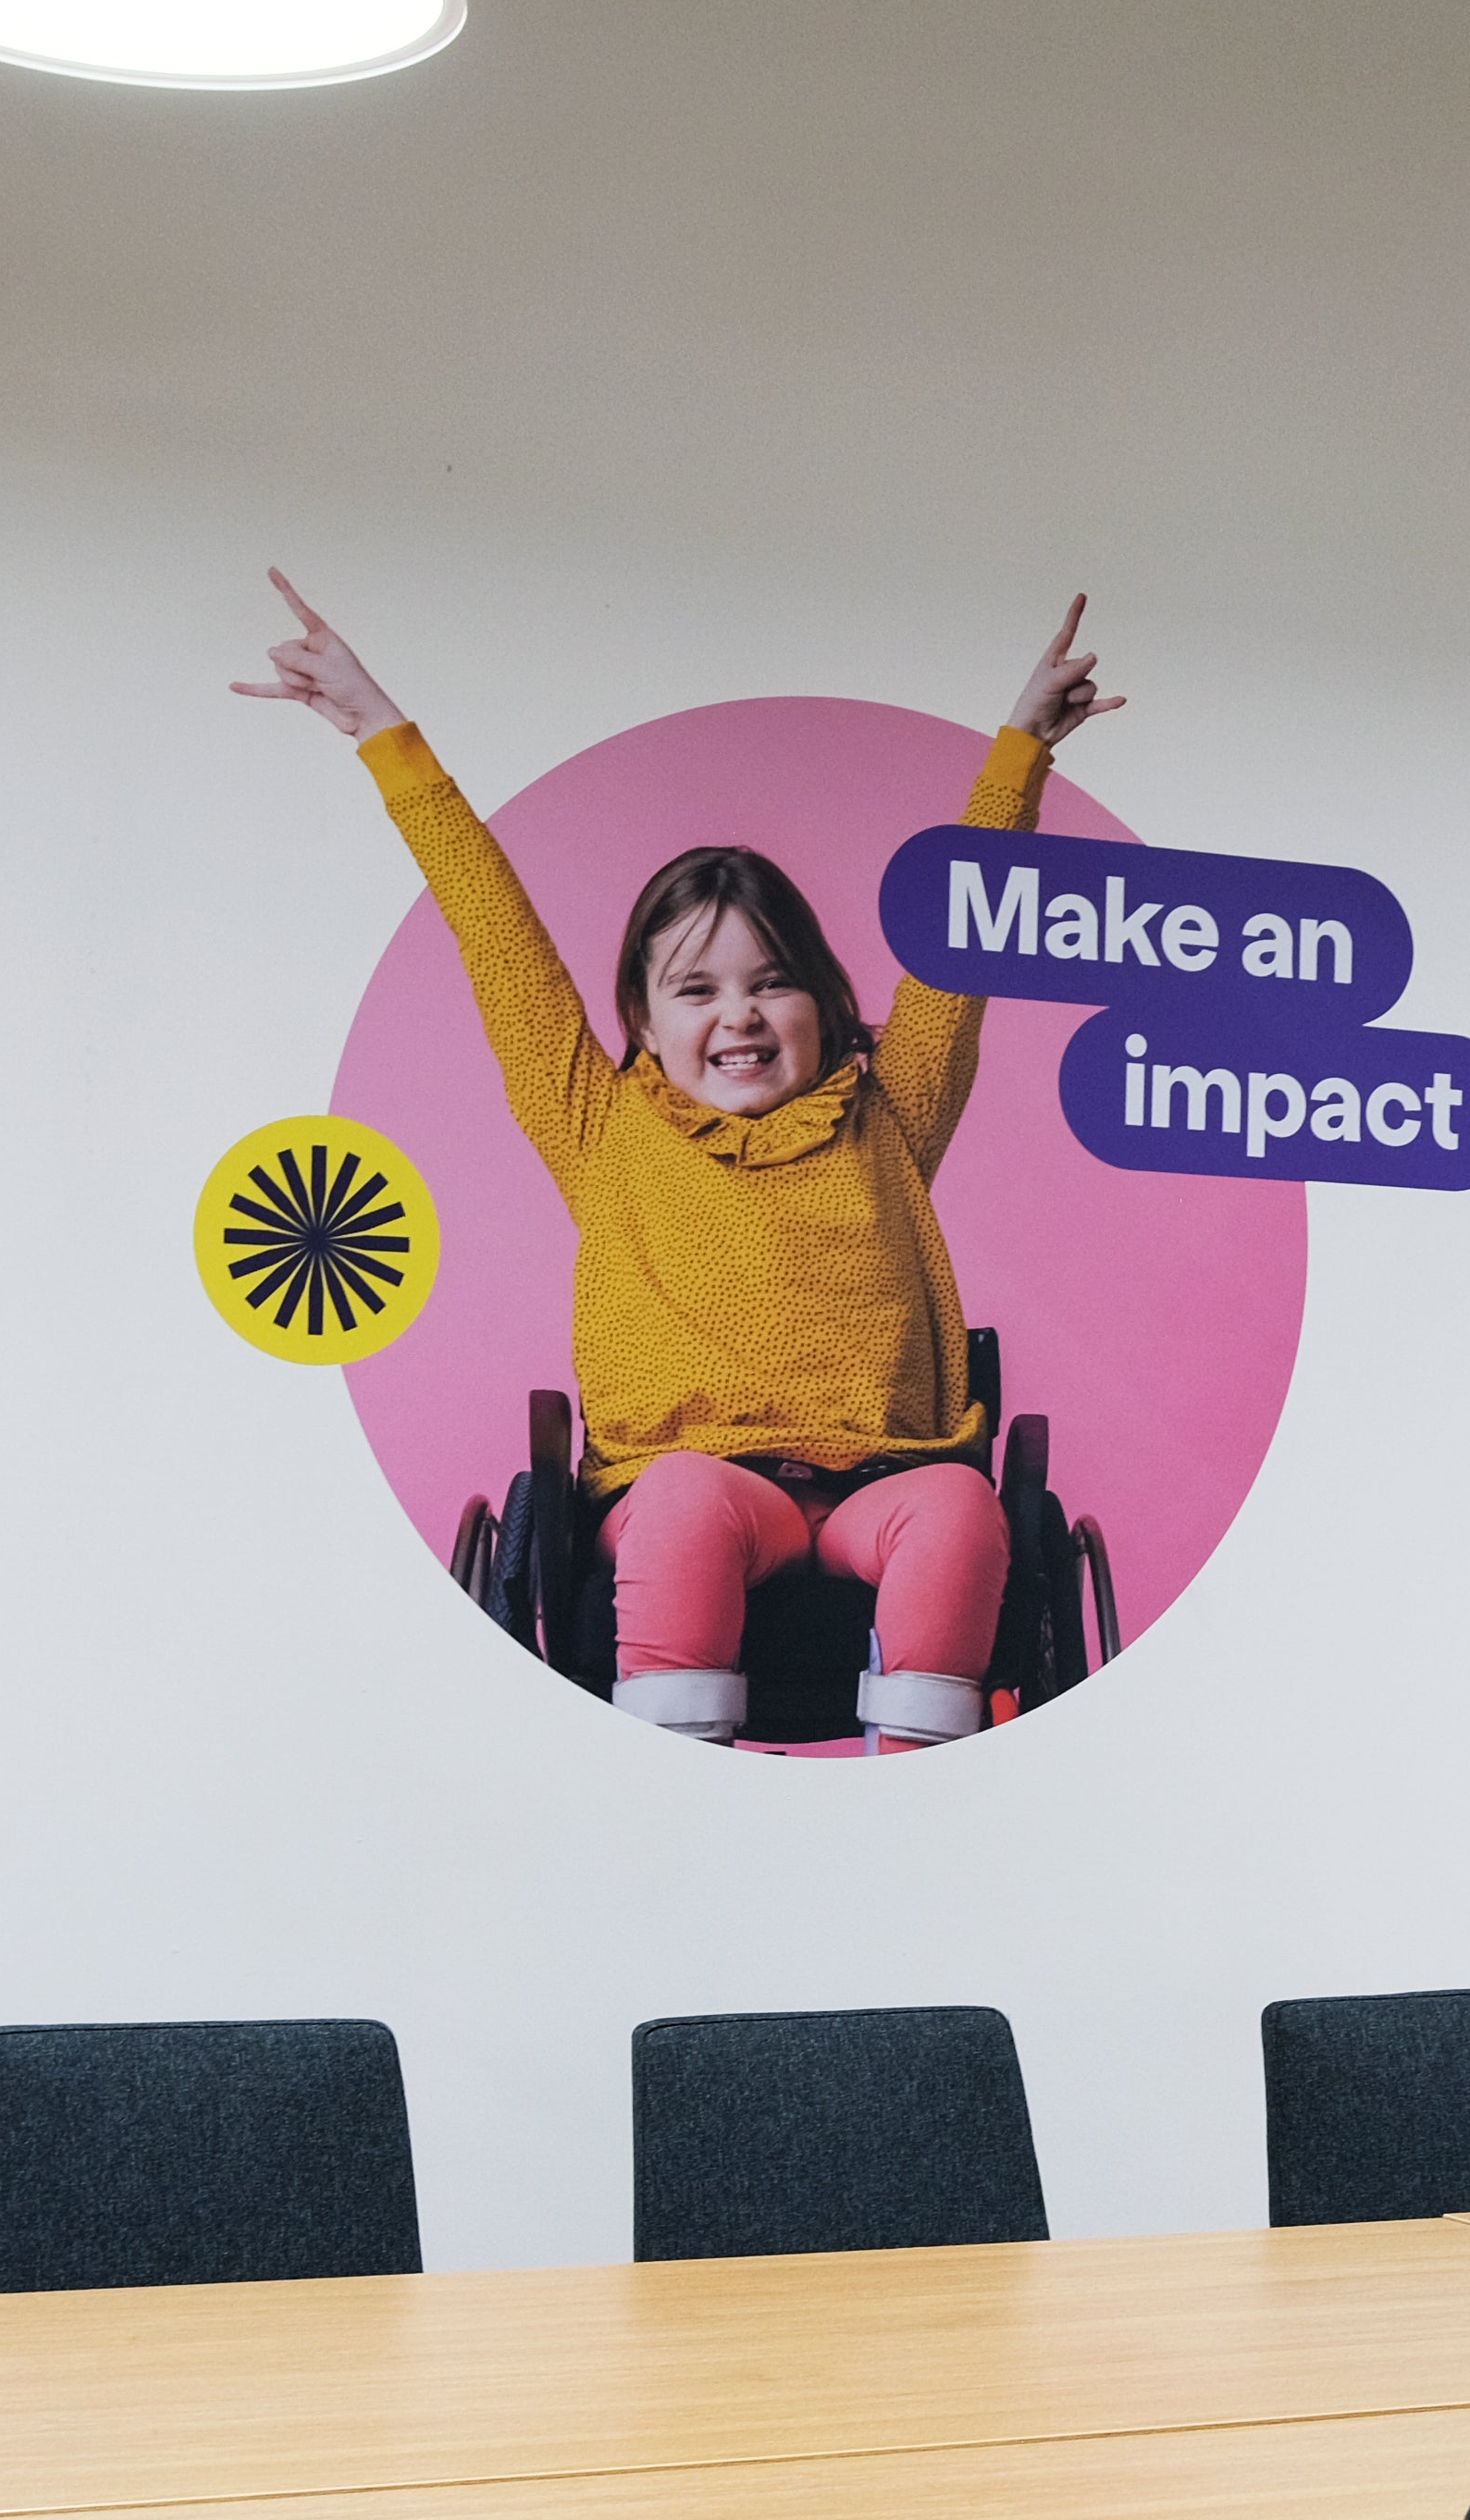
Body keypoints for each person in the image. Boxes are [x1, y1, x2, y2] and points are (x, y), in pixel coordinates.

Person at [235, 574, 1123, 1747]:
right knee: (687, 1502)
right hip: (694, 1486)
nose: (740, 1015)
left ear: (824, 1000)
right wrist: (383, 736)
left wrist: (1020, 756)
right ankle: (669, 1784)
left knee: (962, 1510)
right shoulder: (604, 1126)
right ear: (645, 1025)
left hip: (887, 1484)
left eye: (772, 981)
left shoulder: (888, 1115)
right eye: (697, 989)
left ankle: (922, 1785)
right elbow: (494, 930)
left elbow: (960, 959)